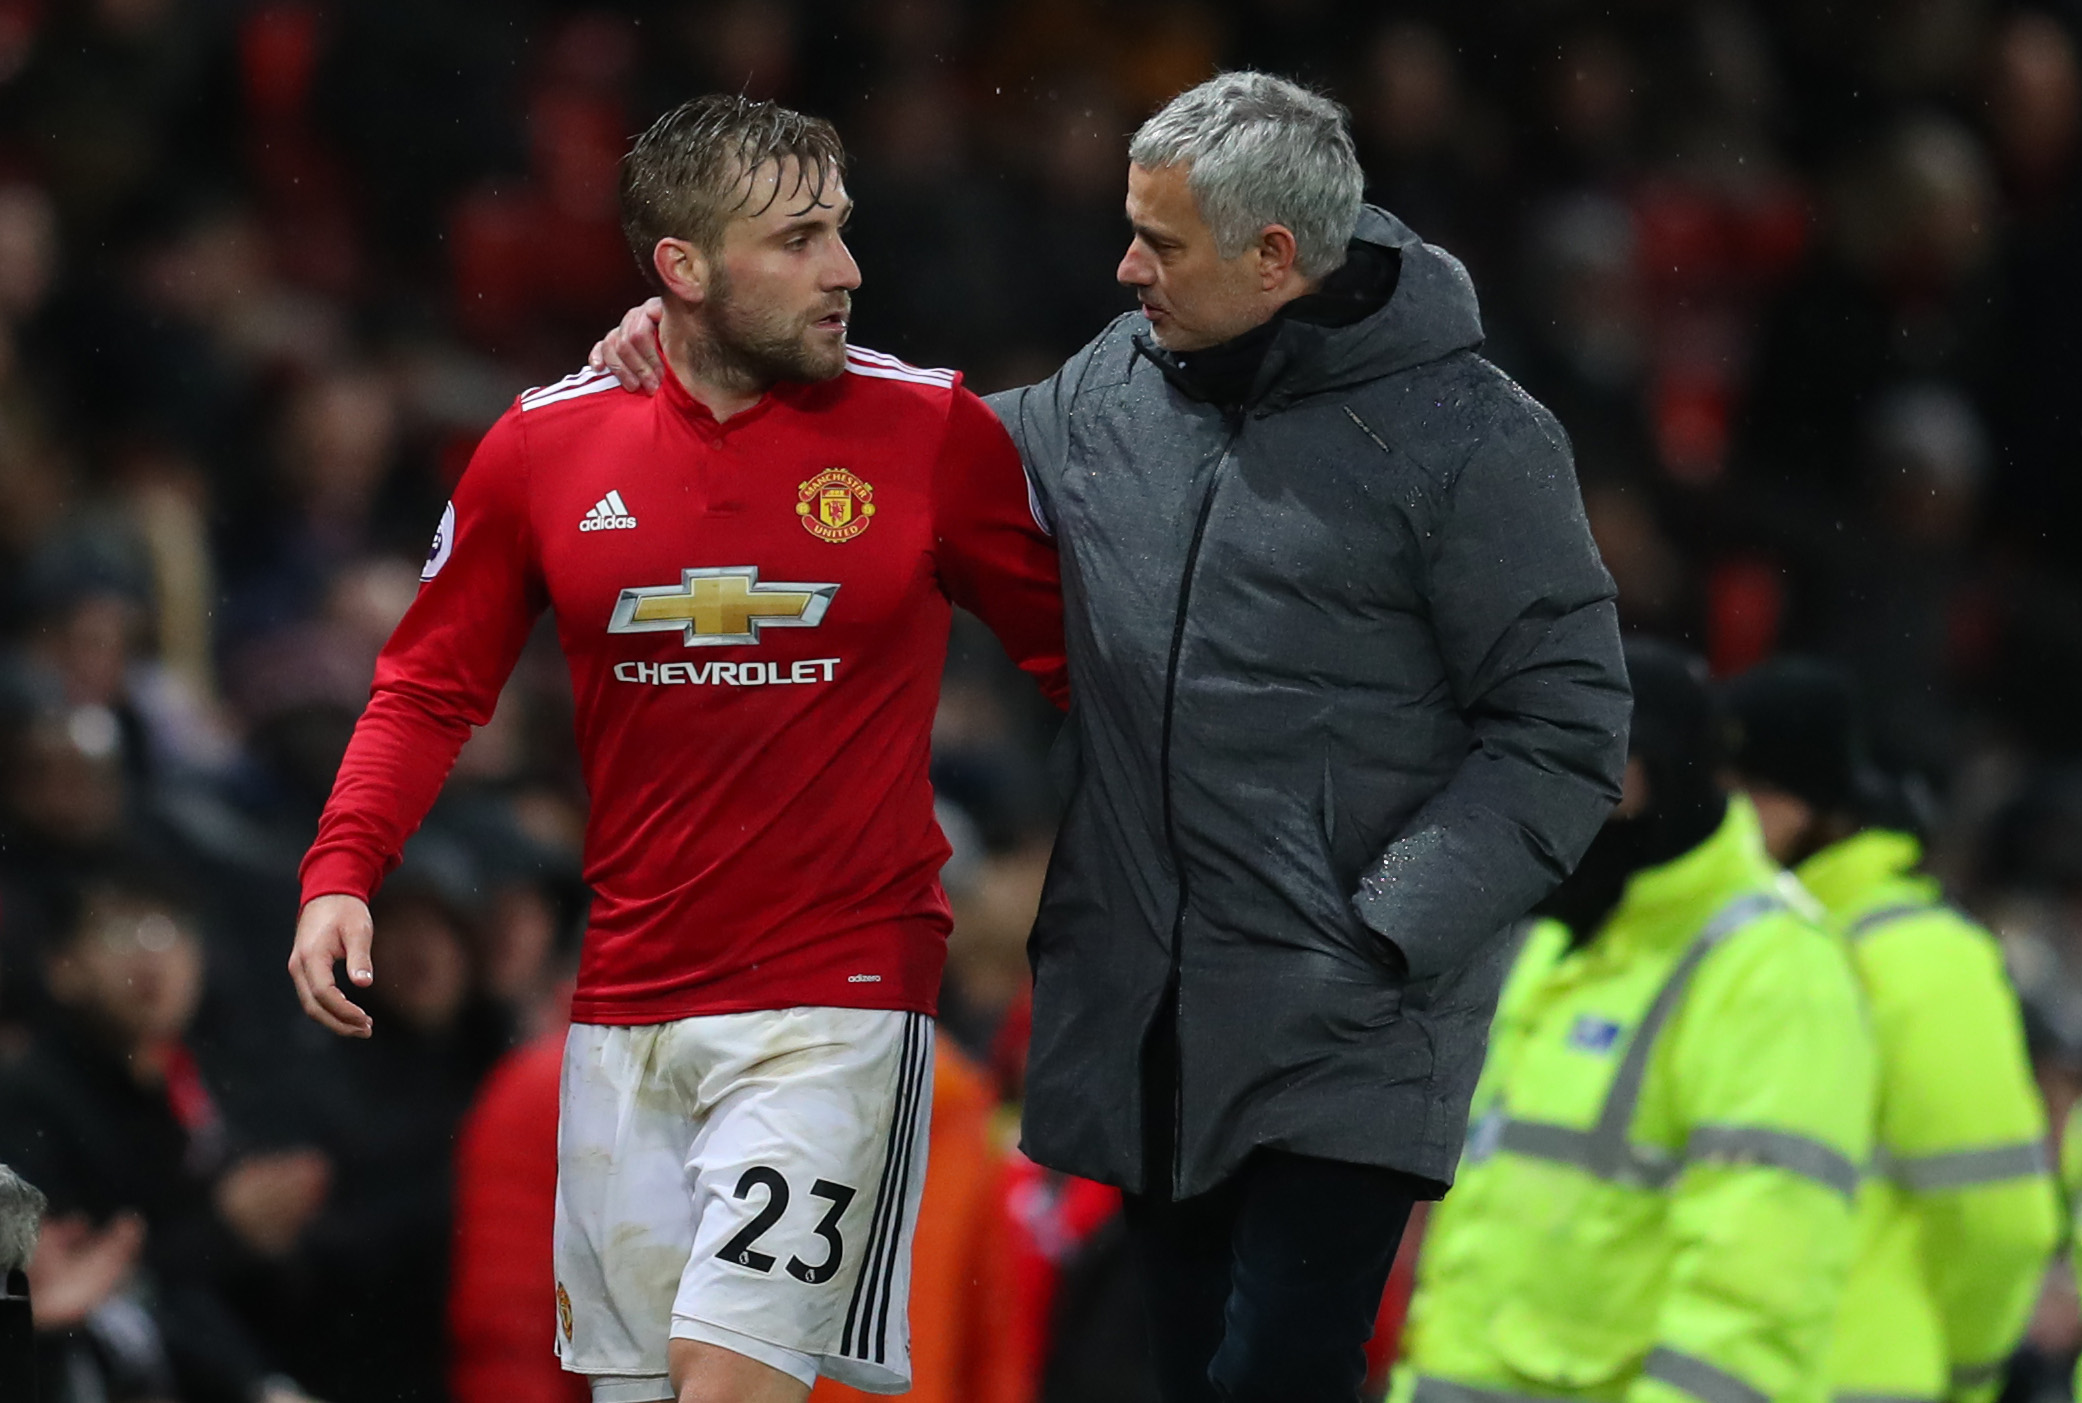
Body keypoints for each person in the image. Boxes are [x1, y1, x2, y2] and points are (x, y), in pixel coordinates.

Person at [594, 71, 1629, 1403]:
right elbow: (913, 451)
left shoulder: (1474, 440)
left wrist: (1381, 927)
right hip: (1154, 1010)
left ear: (1274, 257)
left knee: (1278, 1368)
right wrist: (711, 345)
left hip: (1349, 1018)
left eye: (1160, 243)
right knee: (1185, 1370)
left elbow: (1564, 723)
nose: (1126, 266)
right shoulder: (1117, 385)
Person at [289, 95, 1066, 1403]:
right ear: (682, 268)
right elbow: (426, 685)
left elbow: (1087, 665)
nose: (845, 268)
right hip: (627, 1007)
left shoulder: (931, 429)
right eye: (800, 239)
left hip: (838, 996)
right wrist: (340, 870)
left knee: (729, 1377)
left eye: (842, 228)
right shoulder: (542, 444)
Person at [1394, 639, 1876, 1403]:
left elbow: (1755, 1295)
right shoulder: (1560, 939)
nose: (1573, 802)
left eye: (1606, 773)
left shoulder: (1778, 970)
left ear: (1668, 774)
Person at [1724, 657, 2060, 1403]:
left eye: (1737, 792)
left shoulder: (1922, 957)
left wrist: (1967, 1370)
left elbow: (1998, 1217)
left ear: (1796, 803)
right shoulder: (1729, 940)